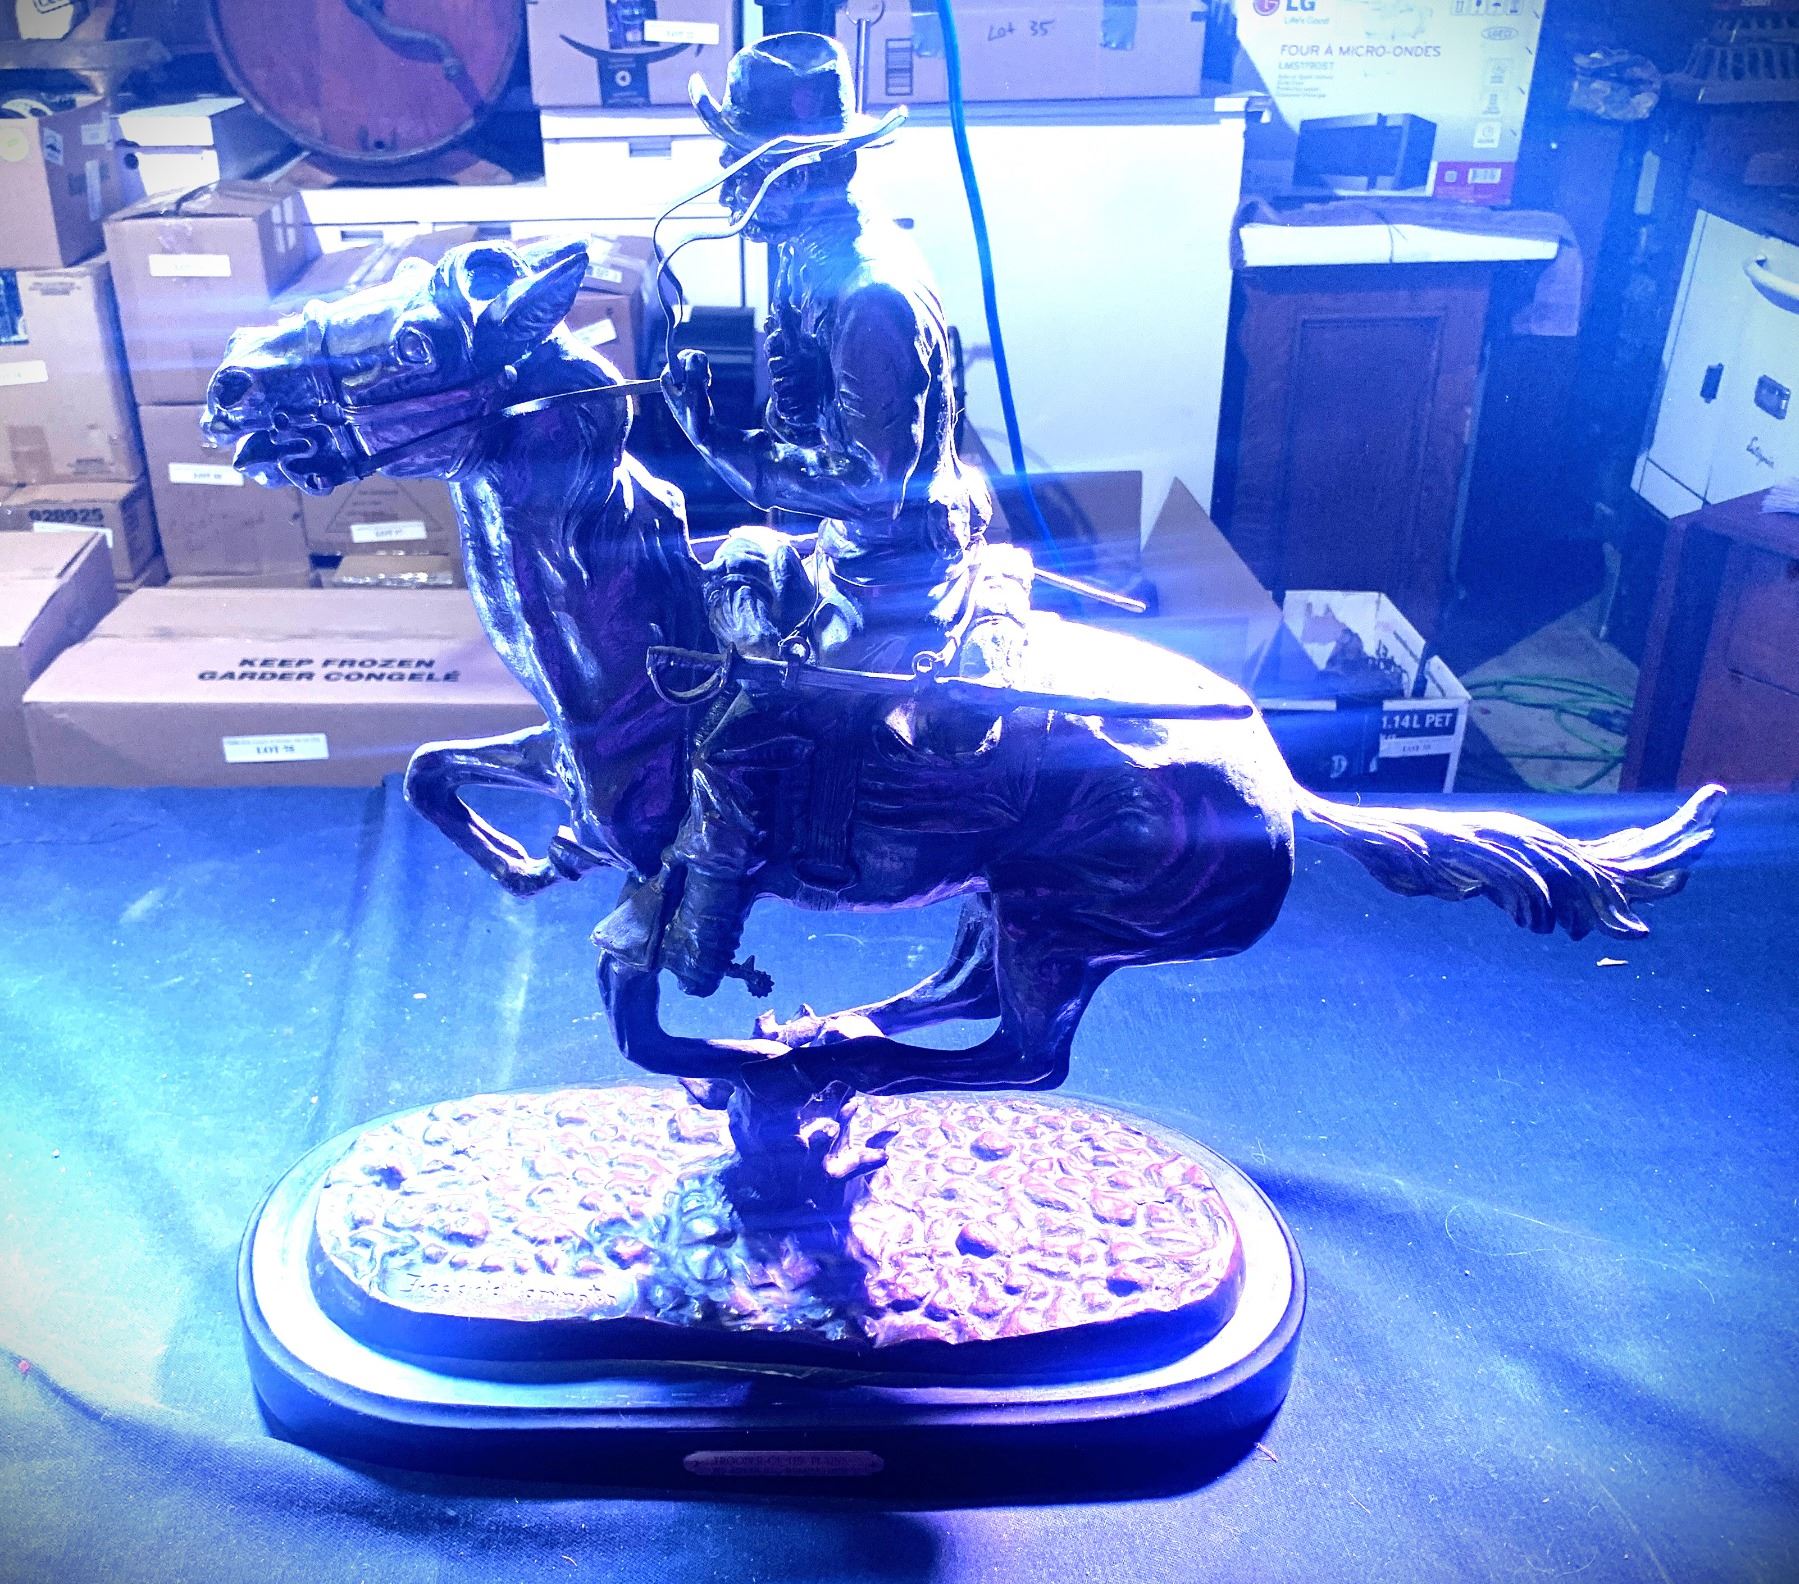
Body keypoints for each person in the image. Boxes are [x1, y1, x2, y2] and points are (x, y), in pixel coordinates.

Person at [598, 31, 1026, 999]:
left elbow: (880, 486)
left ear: (799, 168)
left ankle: (699, 941)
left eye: (740, 161)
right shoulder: (803, 258)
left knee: (736, 736)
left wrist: (718, 446)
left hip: (898, 567)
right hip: (848, 545)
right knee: (716, 593)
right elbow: (806, 425)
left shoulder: (867, 294)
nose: (724, 183)